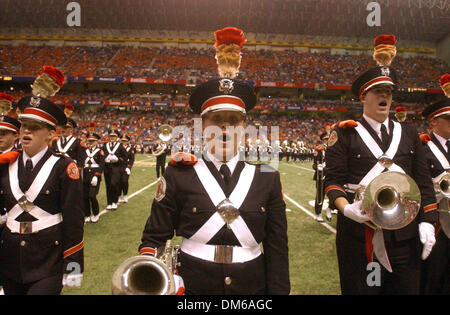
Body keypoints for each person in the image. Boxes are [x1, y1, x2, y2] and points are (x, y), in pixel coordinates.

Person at [138, 27, 290, 295]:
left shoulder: (268, 178)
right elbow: (154, 238)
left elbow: (277, 249)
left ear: (244, 127)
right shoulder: (178, 174)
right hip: (192, 287)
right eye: (215, 120)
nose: (224, 128)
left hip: (251, 288)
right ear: (201, 126)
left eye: (233, 121)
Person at [324, 35, 437, 294]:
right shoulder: (344, 133)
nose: (384, 96)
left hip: (404, 238)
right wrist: (346, 208)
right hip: (359, 235)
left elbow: (422, 182)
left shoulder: (409, 133)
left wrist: (428, 221)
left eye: (388, 91)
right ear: (364, 97)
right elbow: (333, 181)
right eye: (378, 91)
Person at [0, 94, 84, 295]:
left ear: (51, 134)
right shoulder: (6, 164)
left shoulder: (64, 167)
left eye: (35, 127)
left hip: (48, 260)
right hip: (10, 258)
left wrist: (74, 265)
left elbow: (74, 219)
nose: (27, 131)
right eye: (24, 126)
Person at [419, 73, 450, 295]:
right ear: (434, 121)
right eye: (449, 119)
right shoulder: (422, 147)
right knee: (432, 277)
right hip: (435, 223)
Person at [82, 133, 104, 223]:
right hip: (85, 175)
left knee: (92, 196)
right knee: (85, 197)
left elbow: (102, 164)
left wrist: (97, 175)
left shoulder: (100, 151)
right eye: (89, 141)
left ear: (97, 141)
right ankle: (87, 214)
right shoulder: (84, 151)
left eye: (93, 141)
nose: (90, 142)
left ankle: (96, 214)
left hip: (94, 176)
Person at [102, 129, 127, 211]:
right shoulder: (105, 145)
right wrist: (105, 158)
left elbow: (125, 157)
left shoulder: (120, 146)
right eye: (111, 136)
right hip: (107, 168)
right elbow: (101, 155)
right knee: (108, 185)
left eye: (114, 136)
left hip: (116, 168)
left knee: (114, 184)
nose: (112, 137)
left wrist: (118, 159)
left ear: (117, 137)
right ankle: (109, 202)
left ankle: (114, 201)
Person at [313, 132, 332, 222]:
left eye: (328, 139)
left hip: (331, 174)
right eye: (325, 139)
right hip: (321, 175)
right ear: (322, 140)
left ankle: (329, 208)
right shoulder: (319, 150)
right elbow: (314, 165)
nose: (327, 140)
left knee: (334, 193)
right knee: (320, 196)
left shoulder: (333, 149)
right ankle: (318, 214)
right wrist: (319, 167)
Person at [118, 135, 135, 204]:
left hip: (126, 167)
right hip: (118, 166)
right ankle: (119, 196)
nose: (123, 142)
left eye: (125, 141)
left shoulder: (131, 148)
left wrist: (128, 167)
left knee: (125, 181)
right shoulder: (118, 147)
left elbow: (132, 159)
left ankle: (125, 195)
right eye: (122, 140)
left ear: (128, 141)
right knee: (118, 182)